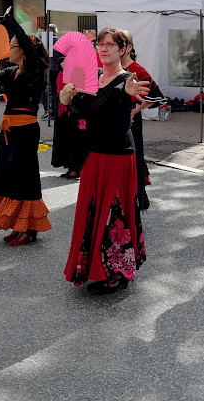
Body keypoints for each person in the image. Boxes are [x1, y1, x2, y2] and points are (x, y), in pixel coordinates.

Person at [61, 27, 150, 293]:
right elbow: (75, 108)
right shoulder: (93, 78)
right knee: (92, 212)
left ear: (123, 49)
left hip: (117, 157)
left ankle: (116, 273)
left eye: (110, 45)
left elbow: (132, 94)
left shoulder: (126, 80)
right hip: (94, 156)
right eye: (100, 44)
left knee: (114, 216)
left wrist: (128, 91)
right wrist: (67, 94)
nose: (103, 48)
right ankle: (92, 266)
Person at [0, 8, 52, 246]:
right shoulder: (10, 72)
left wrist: (11, 24)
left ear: (24, 51)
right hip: (8, 130)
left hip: (26, 131)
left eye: (13, 46)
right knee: (7, 176)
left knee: (25, 178)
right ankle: (17, 224)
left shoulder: (36, 72)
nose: (9, 49)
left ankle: (29, 228)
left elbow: (31, 50)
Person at [120, 29, 165, 210]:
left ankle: (135, 198)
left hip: (131, 124)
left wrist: (135, 110)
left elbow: (156, 96)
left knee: (132, 159)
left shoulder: (137, 70)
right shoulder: (107, 66)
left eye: (118, 44)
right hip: (110, 124)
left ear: (129, 47)